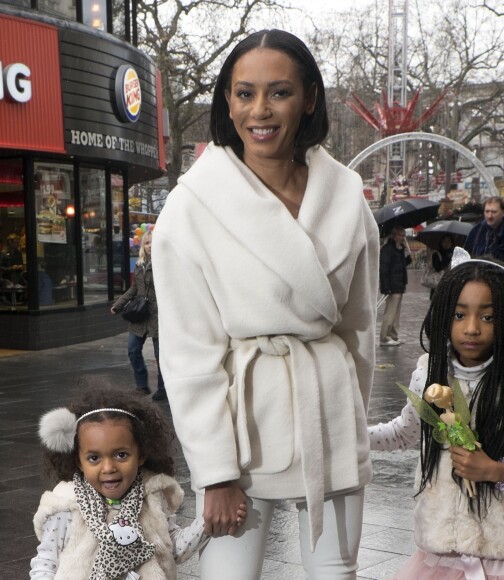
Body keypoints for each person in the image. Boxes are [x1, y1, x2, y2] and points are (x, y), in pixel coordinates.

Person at [153, 29, 379, 579]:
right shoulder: (191, 208)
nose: (260, 110)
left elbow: (360, 330)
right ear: (226, 102)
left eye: (279, 92)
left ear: (309, 99)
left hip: (330, 415)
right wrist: (215, 471)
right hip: (242, 432)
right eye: (244, 92)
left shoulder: (346, 196)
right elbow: (188, 355)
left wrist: (351, 412)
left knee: (337, 574)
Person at [368, 247, 504, 579]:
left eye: (487, 316)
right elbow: (403, 433)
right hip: (442, 557)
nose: (471, 328)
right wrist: (352, 435)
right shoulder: (428, 376)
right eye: (459, 314)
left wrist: (497, 471)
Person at [30, 388, 247, 578]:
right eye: (94, 458)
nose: (108, 467)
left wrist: (207, 522)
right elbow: (45, 563)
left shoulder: (152, 497)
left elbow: (172, 549)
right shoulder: (67, 506)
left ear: (141, 454)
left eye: (121, 455)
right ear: (78, 460)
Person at [112, 229, 166, 401]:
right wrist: (118, 305)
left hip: (158, 315)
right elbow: (134, 289)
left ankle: (163, 389)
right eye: (147, 243)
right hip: (140, 313)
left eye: (153, 242)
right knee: (133, 349)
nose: (150, 246)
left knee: (160, 355)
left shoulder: (163, 264)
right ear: (143, 245)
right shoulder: (139, 264)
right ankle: (142, 386)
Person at [379, 225, 412, 346]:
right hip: (392, 285)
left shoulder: (399, 249)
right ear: (394, 235)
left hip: (399, 284)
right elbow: (384, 269)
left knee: (396, 313)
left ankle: (393, 335)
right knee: (390, 312)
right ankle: (385, 337)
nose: (402, 237)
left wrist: (407, 260)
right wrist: (385, 286)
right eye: (400, 235)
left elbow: (399, 266)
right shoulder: (388, 249)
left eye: (403, 235)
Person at [428, 233, 455, 299]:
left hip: (451, 283)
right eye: (444, 241)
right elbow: (437, 268)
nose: (447, 243)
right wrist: (447, 258)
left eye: (449, 241)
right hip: (438, 284)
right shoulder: (437, 254)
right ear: (441, 242)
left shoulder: (454, 253)